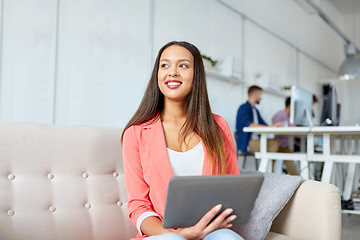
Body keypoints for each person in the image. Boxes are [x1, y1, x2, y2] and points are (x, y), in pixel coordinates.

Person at [121, 41, 243, 240]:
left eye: (183, 65)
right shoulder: (136, 133)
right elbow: (138, 205)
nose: (172, 72)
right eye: (165, 65)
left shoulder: (219, 126)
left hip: (210, 231)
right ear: (157, 74)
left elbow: (233, 189)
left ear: (196, 76)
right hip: (163, 235)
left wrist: (210, 226)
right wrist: (184, 235)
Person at [236, 85, 281, 155]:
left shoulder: (255, 110)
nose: (261, 98)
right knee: (273, 144)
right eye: (260, 95)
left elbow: (264, 125)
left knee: (279, 146)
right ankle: (267, 166)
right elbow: (250, 125)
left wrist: (273, 127)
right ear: (255, 94)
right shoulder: (243, 108)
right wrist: (271, 128)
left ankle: (267, 165)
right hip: (247, 143)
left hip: (257, 140)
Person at [271, 97, 298, 175]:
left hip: (290, 144)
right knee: (289, 152)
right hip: (280, 144)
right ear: (290, 106)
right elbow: (277, 132)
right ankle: (295, 177)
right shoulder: (280, 115)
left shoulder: (290, 117)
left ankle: (296, 178)